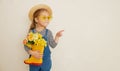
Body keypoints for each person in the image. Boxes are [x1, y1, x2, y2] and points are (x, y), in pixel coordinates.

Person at [24, 4, 64, 71]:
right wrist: (32, 53)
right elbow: (26, 47)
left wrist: (57, 37)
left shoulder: (48, 33)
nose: (47, 20)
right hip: (34, 61)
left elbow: (53, 45)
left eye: (48, 17)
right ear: (36, 19)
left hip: (46, 62)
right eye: (44, 17)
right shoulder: (31, 33)